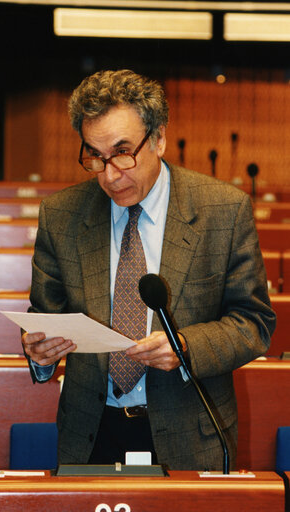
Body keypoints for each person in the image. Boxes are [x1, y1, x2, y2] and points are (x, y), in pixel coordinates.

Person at [22, 69, 276, 471]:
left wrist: (185, 346)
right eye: (94, 155)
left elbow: (254, 323)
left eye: (123, 151)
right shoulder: (61, 215)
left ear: (159, 138)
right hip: (90, 433)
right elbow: (44, 318)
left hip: (192, 431)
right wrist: (39, 352)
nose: (109, 174)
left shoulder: (223, 210)